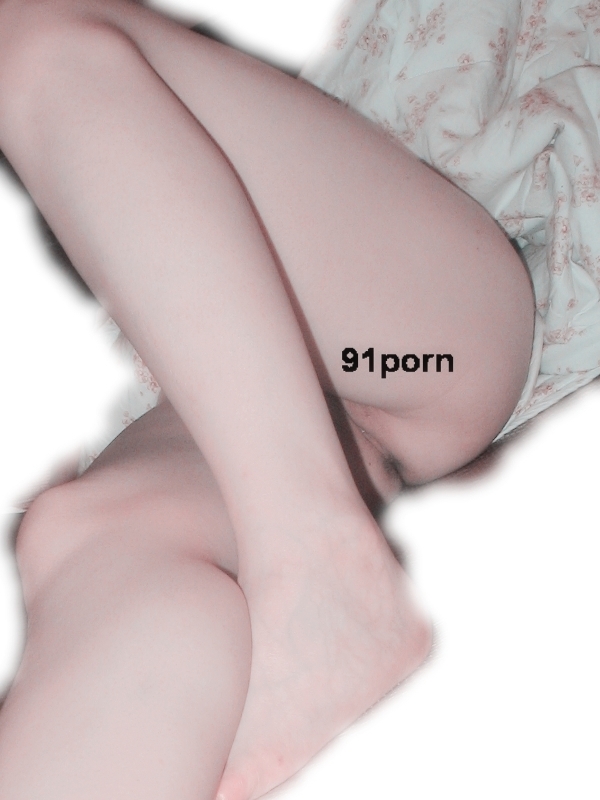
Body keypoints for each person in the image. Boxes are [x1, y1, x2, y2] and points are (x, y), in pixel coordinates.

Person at [0, 0, 537, 798]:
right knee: (82, 534)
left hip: (411, 353)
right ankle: (314, 551)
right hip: (352, 392)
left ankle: (312, 547)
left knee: (31, 39)